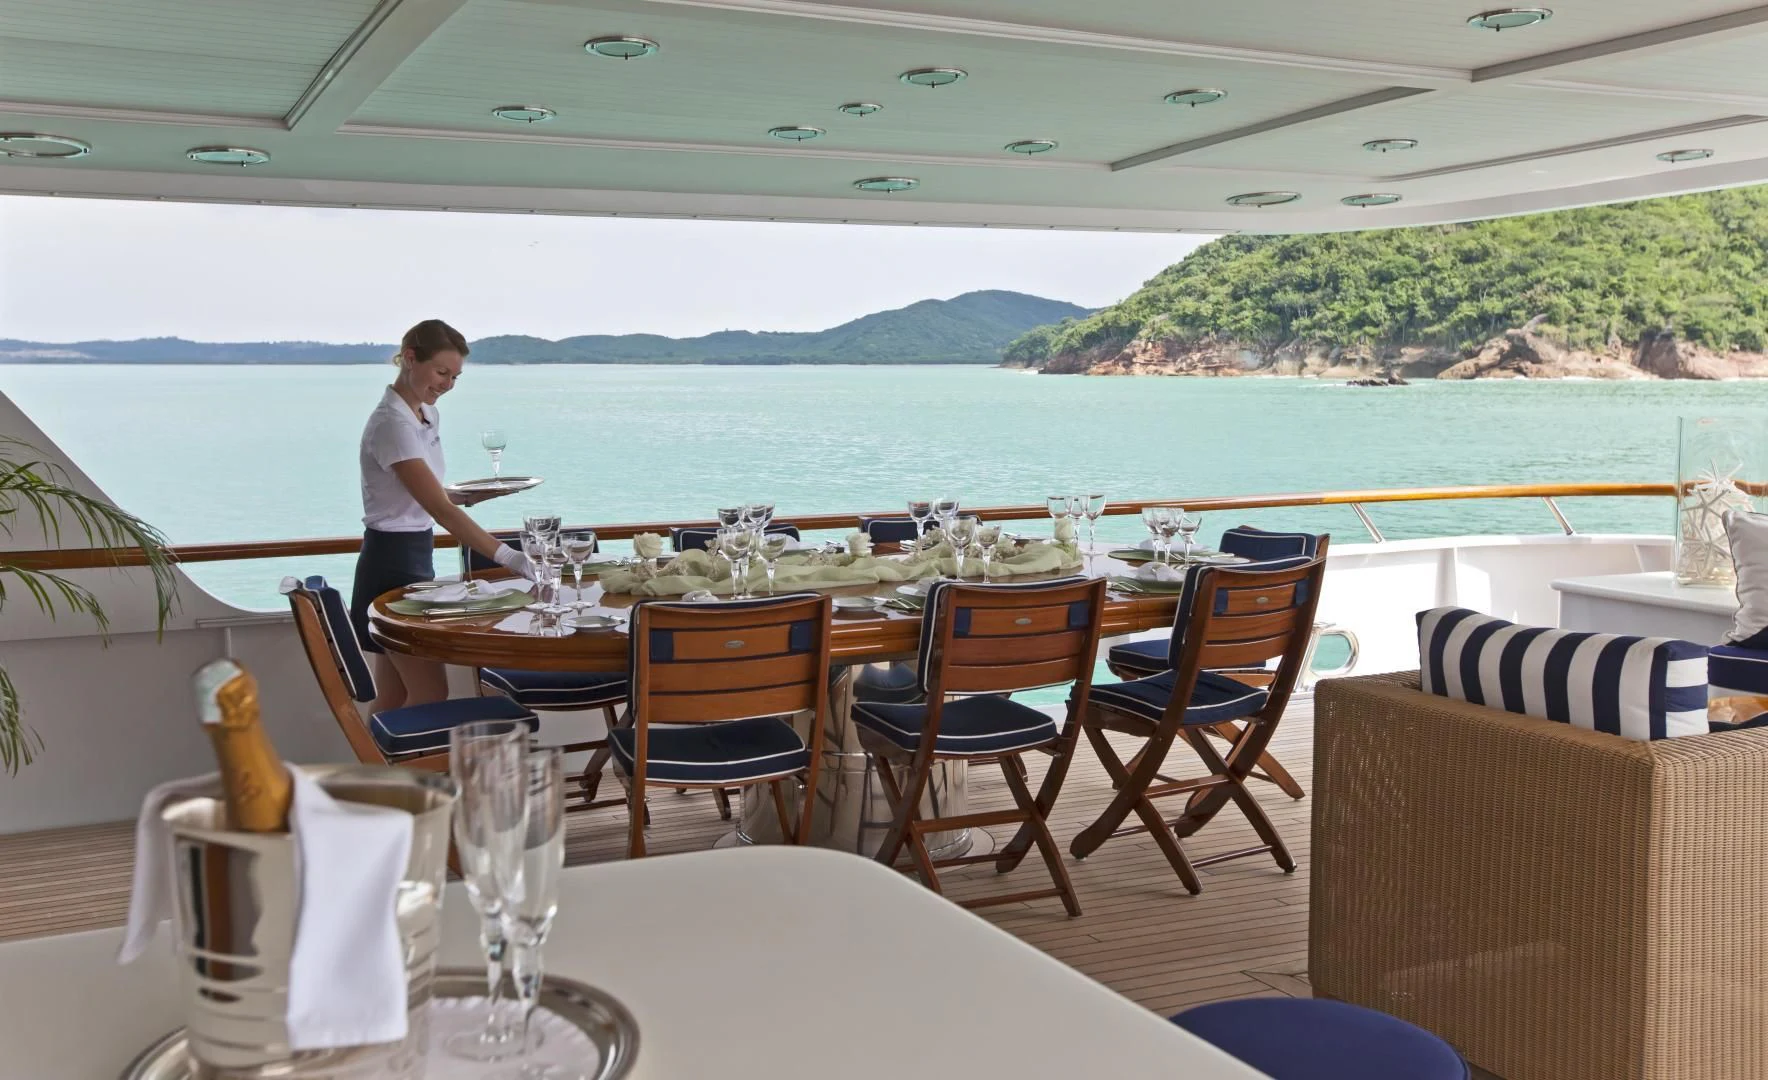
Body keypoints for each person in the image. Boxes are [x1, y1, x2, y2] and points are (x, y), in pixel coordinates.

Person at [351, 318, 533, 715]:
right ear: (410, 359)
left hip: (415, 554)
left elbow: (428, 493)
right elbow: (437, 509)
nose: (447, 384)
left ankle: (375, 775)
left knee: (395, 698)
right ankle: (413, 776)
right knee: (430, 694)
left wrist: (460, 495)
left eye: (455, 376)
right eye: (441, 372)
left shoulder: (424, 416)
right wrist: (511, 558)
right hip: (389, 564)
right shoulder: (392, 424)